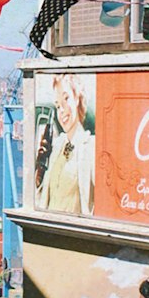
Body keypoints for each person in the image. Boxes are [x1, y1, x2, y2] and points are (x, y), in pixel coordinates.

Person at [34, 74, 95, 215]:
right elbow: (43, 198)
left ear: (78, 98)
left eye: (66, 99)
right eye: (57, 105)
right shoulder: (57, 145)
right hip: (48, 230)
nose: (62, 110)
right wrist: (39, 173)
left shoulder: (90, 146)